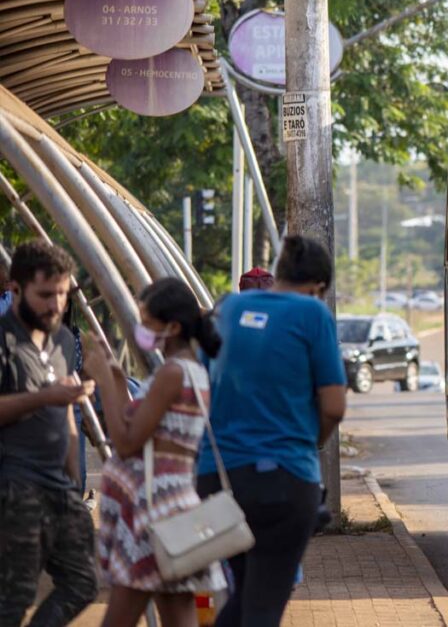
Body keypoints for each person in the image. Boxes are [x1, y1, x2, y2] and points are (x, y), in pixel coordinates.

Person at [196, 235, 347, 627]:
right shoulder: (312, 315)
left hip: (218, 478)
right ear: (317, 287)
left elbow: (201, 385)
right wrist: (309, 442)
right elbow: (333, 406)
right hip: (284, 480)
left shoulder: (226, 308)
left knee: (247, 594)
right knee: (263, 607)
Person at [82, 277, 226, 626]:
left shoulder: (172, 374)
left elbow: (127, 442)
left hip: (153, 513)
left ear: (173, 326)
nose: (140, 328)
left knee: (119, 616)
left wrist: (102, 378)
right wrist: (115, 379)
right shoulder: (189, 371)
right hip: (171, 507)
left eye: (147, 321)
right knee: (179, 616)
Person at [0, 240, 98, 626]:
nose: (56, 305)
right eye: (45, 295)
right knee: (12, 599)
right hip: (14, 487)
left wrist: (74, 479)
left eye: (61, 294)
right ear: (16, 289)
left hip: (58, 486)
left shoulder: (60, 338)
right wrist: (47, 396)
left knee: (82, 581)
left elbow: (65, 410)